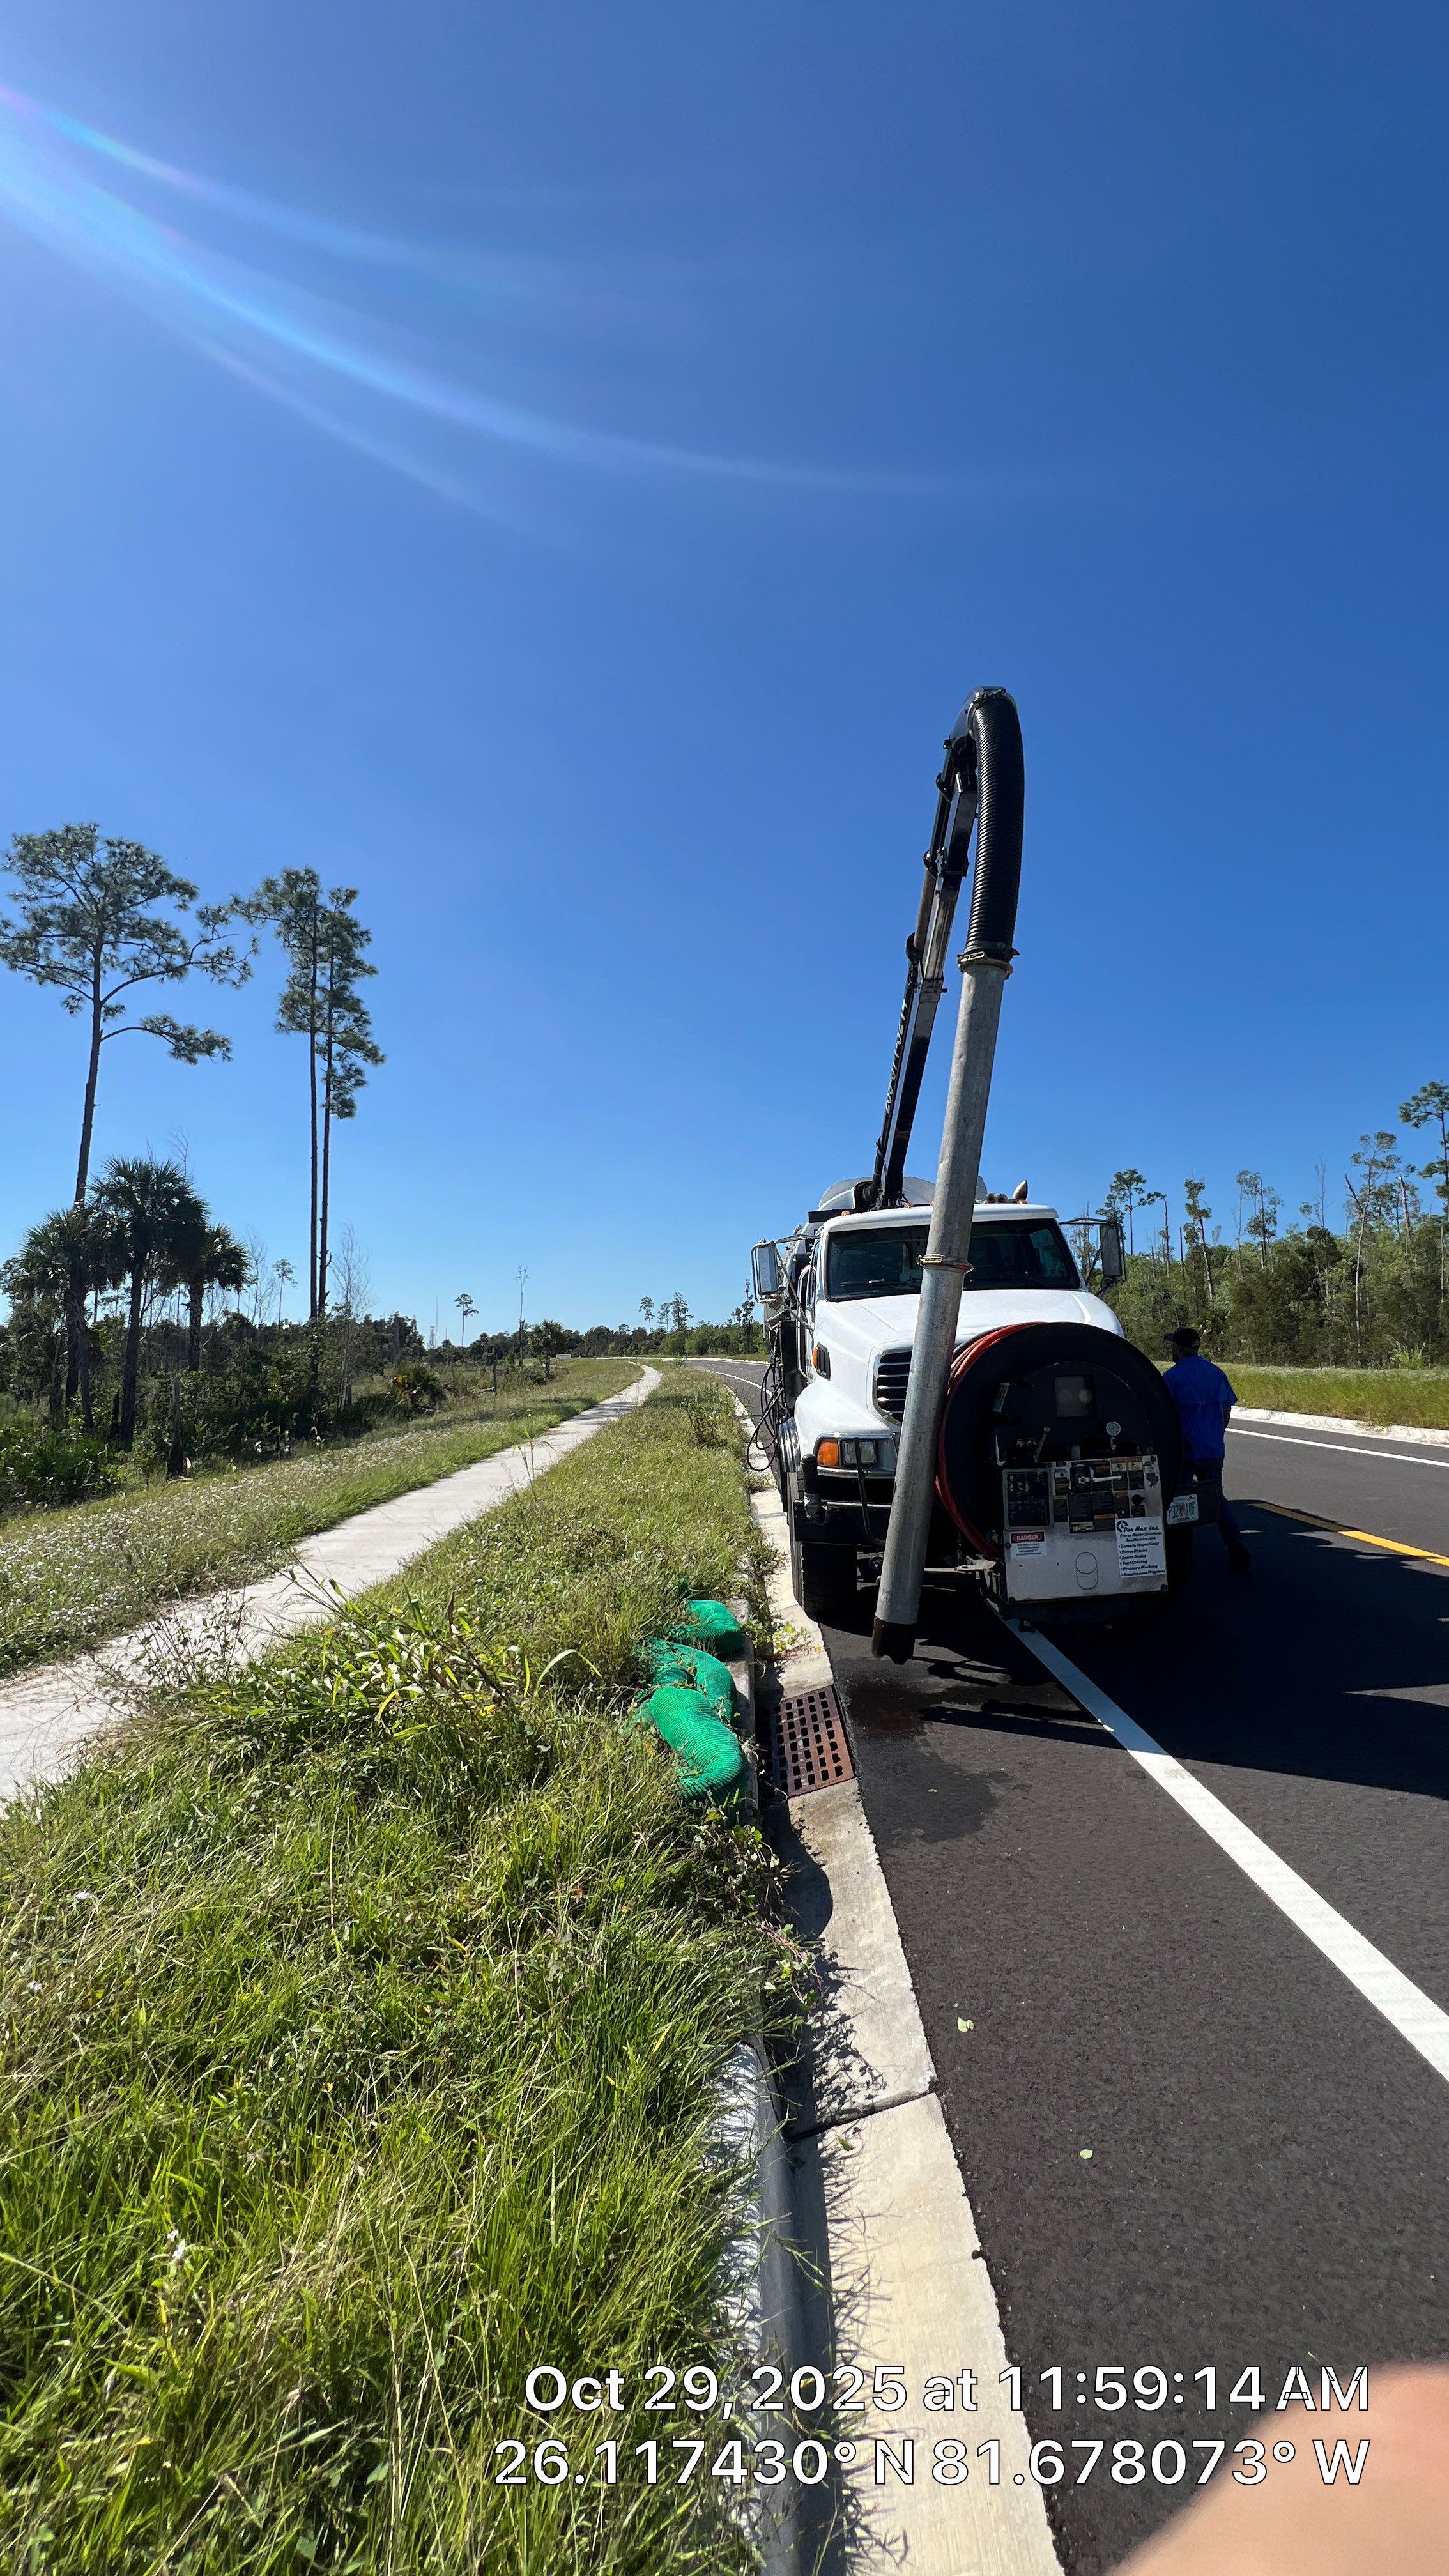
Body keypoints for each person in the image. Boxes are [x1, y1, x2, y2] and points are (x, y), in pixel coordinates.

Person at [1163, 1326, 1250, 1572]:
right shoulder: (1216, 1373)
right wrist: (1216, 1433)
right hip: (1213, 1449)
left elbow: (1165, 1415)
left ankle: (1181, 1556)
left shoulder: (1172, 1377)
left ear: (1177, 1348)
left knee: (1178, 1500)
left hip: (1185, 1451)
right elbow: (1227, 1408)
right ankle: (1236, 1545)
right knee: (1216, 1497)